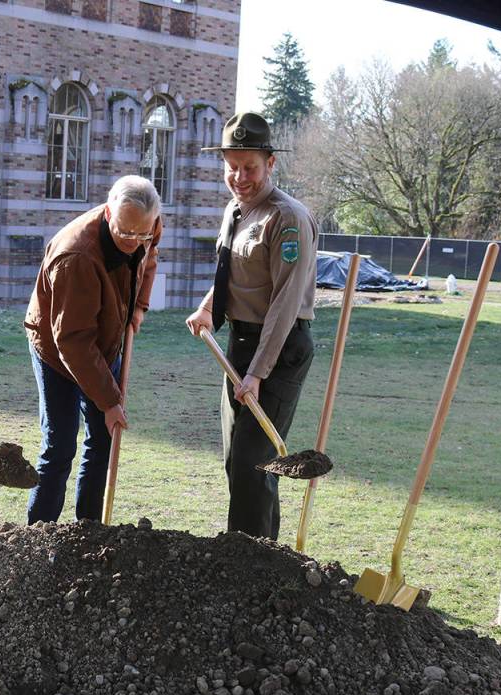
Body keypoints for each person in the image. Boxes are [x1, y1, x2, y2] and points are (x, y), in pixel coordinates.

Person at [185, 112, 318, 540]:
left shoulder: (287, 218)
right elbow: (231, 271)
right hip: (238, 345)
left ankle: (250, 564)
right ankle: (258, 557)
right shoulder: (235, 210)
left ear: (271, 163)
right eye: (232, 167)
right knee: (237, 463)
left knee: (252, 466)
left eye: (250, 168)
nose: (240, 177)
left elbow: (284, 303)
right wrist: (209, 306)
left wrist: (258, 373)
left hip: (277, 352)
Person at [24, 175, 161, 524]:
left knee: (103, 438)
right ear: (108, 212)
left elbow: (149, 257)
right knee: (61, 445)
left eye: (141, 234)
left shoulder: (146, 225)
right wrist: (110, 401)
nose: (134, 241)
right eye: (124, 233)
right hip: (59, 347)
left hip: (104, 338)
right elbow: (73, 341)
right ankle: (38, 539)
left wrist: (140, 306)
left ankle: (88, 532)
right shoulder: (77, 256)